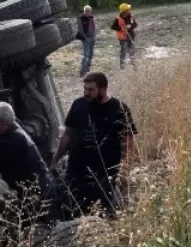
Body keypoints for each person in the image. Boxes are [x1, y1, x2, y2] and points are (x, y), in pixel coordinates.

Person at [53, 71, 137, 218]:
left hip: (104, 172)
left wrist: (124, 172)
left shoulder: (119, 109)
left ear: (103, 89)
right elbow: (67, 134)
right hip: (77, 169)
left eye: (91, 89)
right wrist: (55, 160)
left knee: (102, 214)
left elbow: (128, 144)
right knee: (73, 210)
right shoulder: (78, 104)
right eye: (85, 89)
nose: (86, 93)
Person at [111, 3, 138, 68]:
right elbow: (113, 27)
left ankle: (133, 65)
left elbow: (135, 25)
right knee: (123, 52)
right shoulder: (118, 19)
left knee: (131, 51)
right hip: (123, 38)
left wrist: (131, 26)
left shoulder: (130, 16)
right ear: (125, 11)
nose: (130, 10)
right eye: (129, 9)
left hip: (131, 36)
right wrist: (122, 28)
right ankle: (122, 66)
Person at [77, 5, 97, 77]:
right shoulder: (81, 19)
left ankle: (87, 68)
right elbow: (80, 29)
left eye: (89, 11)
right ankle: (82, 72)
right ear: (84, 11)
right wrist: (84, 38)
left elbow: (93, 27)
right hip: (86, 39)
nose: (87, 12)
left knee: (91, 54)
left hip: (92, 38)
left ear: (91, 11)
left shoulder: (91, 18)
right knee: (86, 55)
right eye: (86, 11)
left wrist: (94, 36)